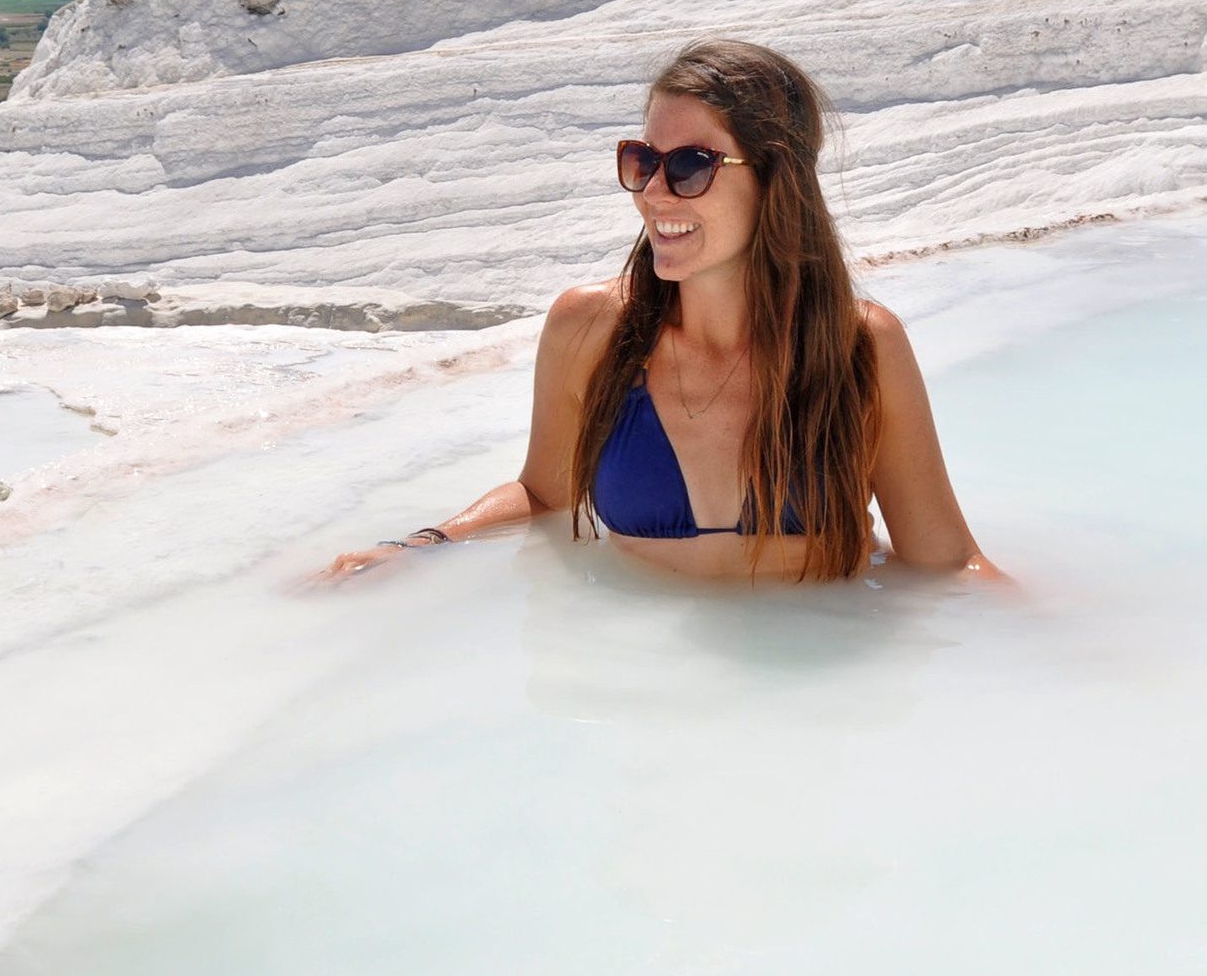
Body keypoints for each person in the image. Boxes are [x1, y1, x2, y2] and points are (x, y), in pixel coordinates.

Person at [320, 38, 1004, 584]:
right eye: (642, 160)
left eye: (689, 167)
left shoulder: (859, 346)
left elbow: (943, 562)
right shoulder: (589, 330)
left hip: (822, 697)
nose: (653, 192)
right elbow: (545, 493)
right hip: (641, 697)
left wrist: (1067, 655)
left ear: (777, 180)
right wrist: (419, 545)